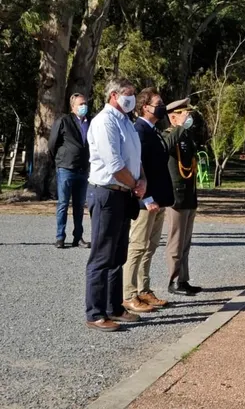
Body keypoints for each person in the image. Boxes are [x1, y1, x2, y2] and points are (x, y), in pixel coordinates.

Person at [84, 77, 146, 332]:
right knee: (102, 255)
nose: (131, 99)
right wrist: (134, 183)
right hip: (107, 193)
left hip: (125, 193)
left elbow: (135, 159)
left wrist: (142, 180)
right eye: (128, 94)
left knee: (118, 254)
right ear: (113, 95)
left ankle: (114, 307)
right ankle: (95, 312)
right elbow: (114, 165)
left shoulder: (127, 123)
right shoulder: (104, 122)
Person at [122, 88, 179, 314]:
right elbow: (138, 167)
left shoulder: (153, 130)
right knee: (137, 247)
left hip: (158, 200)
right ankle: (129, 294)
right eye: (159, 102)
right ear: (145, 106)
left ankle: (143, 289)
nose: (162, 106)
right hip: (146, 201)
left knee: (149, 248)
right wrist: (147, 197)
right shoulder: (139, 131)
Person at [164, 98, 201, 296]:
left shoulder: (186, 136)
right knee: (175, 242)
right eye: (184, 114)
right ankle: (173, 280)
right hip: (175, 196)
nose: (188, 117)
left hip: (189, 194)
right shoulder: (170, 135)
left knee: (186, 242)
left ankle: (183, 279)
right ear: (173, 117)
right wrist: (178, 127)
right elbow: (166, 147)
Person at [48, 92, 92, 249]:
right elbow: (52, 143)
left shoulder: (90, 122)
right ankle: (60, 237)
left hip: (83, 168)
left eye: (85, 103)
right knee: (63, 203)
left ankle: (78, 237)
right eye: (80, 104)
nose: (84, 106)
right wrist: (59, 160)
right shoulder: (64, 121)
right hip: (66, 167)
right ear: (73, 106)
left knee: (79, 205)